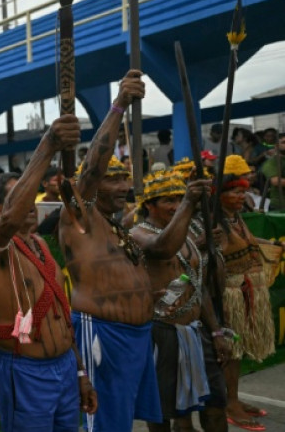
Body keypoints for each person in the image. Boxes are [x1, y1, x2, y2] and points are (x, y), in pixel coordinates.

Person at [0, 115, 97, 431]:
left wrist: (80, 373)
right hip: (25, 371)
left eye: (31, 193)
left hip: (66, 368)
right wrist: (48, 145)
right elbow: (9, 222)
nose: (31, 201)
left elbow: (61, 316)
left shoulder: (41, 244)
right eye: (21, 195)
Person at [58, 71, 163, 430]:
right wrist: (119, 105)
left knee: (121, 422)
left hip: (137, 338)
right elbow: (90, 170)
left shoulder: (117, 225)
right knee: (101, 424)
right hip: (103, 335)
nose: (123, 186)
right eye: (112, 179)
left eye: (124, 179)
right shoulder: (79, 217)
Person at [130, 170, 229, 432]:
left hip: (197, 331)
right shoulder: (138, 234)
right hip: (161, 333)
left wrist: (216, 331)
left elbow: (198, 287)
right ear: (149, 205)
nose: (176, 205)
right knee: (161, 411)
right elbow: (162, 248)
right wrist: (187, 203)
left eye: (179, 198)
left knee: (216, 404)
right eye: (168, 200)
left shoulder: (185, 234)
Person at [218, 155, 280, 430]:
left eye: (243, 191)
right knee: (230, 351)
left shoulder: (235, 217)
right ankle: (228, 403)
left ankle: (233, 397)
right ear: (220, 193)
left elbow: (249, 242)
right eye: (235, 191)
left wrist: (273, 244)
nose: (241, 196)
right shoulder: (213, 221)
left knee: (237, 351)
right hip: (231, 293)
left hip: (246, 291)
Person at [259, 132, 285, 212]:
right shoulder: (271, 162)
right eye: (284, 142)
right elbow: (276, 181)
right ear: (276, 146)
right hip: (279, 206)